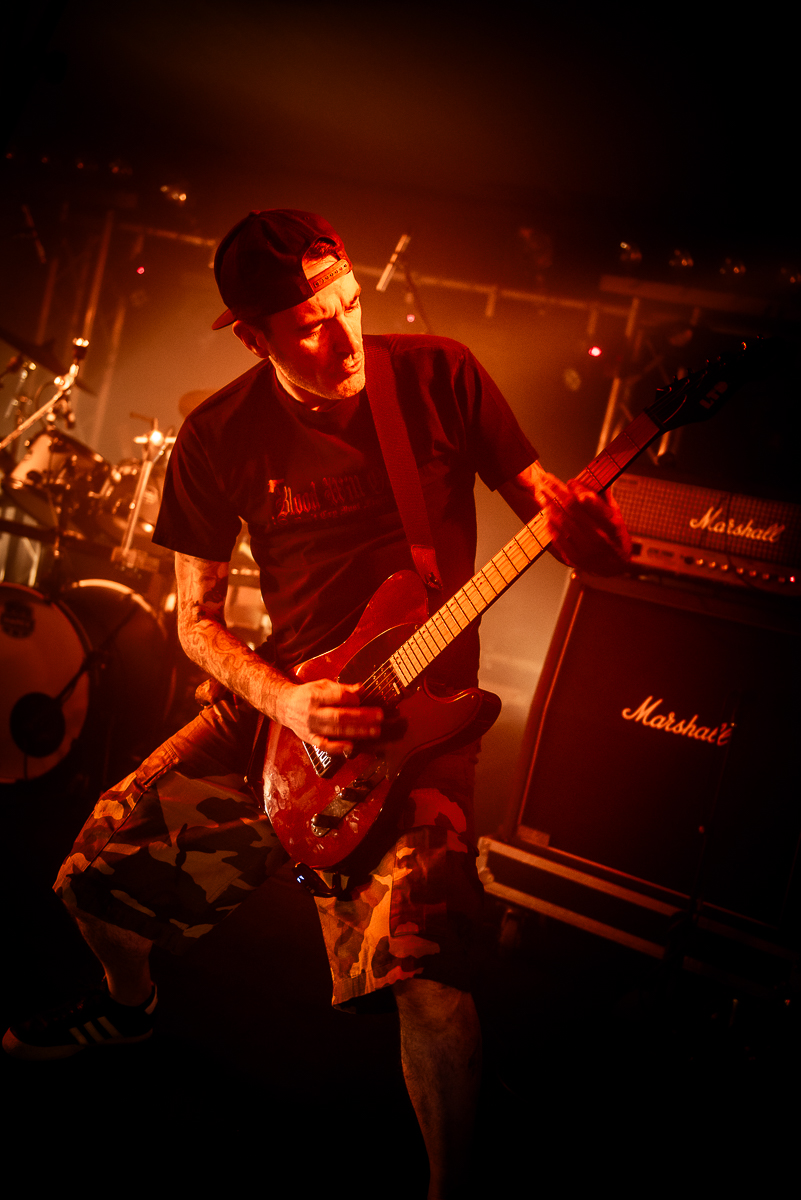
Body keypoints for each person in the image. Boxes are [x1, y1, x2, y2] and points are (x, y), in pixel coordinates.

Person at [3, 210, 631, 1198]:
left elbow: (547, 509)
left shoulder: (439, 376)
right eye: (310, 325)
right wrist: (288, 703)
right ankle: (129, 1007)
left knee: (429, 981)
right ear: (252, 337)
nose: (345, 340)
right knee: (90, 873)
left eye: (350, 304)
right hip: (280, 709)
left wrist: (598, 541)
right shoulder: (217, 434)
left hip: (421, 722)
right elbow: (195, 621)